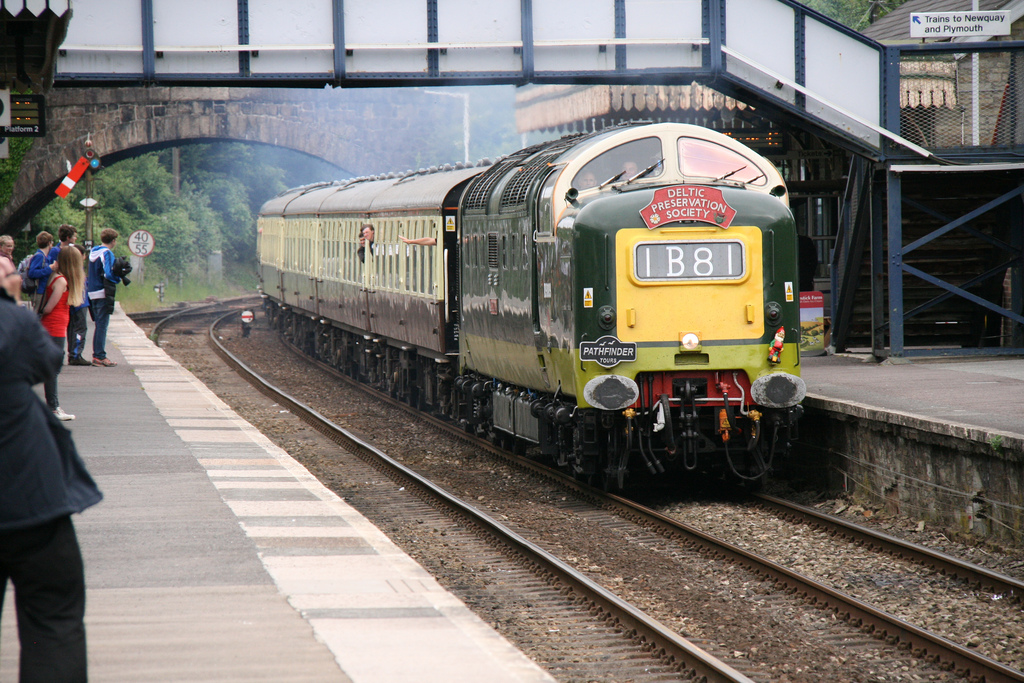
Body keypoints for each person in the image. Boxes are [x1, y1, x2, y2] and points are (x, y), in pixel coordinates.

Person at [0, 254, 102, 683]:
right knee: (54, 620)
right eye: (10, 275)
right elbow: (46, 364)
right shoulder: (13, 323)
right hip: (29, 501)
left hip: (29, 501)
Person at [40, 247, 85, 421]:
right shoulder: (61, 281)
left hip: (56, 328)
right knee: (53, 369)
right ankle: (53, 408)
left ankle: (52, 407)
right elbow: (49, 308)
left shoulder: (58, 278)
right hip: (53, 328)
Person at [86, 228, 122, 367]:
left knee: (98, 324)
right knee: (102, 325)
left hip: (92, 292)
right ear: (113, 241)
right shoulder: (107, 253)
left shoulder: (93, 251)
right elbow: (108, 273)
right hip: (102, 292)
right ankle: (99, 356)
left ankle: (98, 354)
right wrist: (118, 277)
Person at [67, 244, 90, 366]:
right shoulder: (76, 268)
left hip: (75, 302)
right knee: (80, 329)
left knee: (72, 329)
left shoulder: (70, 267)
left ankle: (73, 353)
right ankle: (75, 355)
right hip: (79, 303)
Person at [27, 230, 58, 309]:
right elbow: (32, 273)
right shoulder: (40, 256)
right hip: (39, 290)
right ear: (49, 243)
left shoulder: (46, 257)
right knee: (37, 313)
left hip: (43, 289)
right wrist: (49, 269)